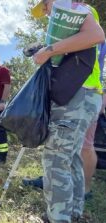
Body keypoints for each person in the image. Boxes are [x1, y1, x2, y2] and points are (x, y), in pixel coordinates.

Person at [31, 0, 105, 222]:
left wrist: (49, 50)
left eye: (46, 6)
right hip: (83, 94)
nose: (46, 12)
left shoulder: (75, 8)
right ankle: (73, 212)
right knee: (70, 156)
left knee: (55, 158)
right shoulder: (69, 16)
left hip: (77, 93)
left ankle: (58, 217)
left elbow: (96, 35)